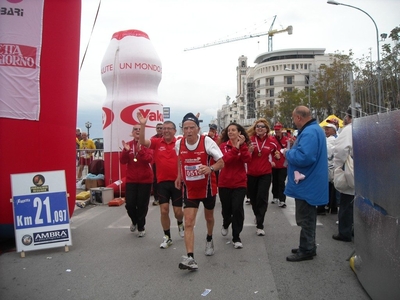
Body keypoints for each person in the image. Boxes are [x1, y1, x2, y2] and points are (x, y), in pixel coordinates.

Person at [175, 113, 224, 271]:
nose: (188, 131)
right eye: (185, 128)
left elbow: (221, 162)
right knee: (189, 222)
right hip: (190, 189)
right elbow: (180, 159)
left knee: (209, 217)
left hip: (208, 187)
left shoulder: (207, 141)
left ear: (198, 129)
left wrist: (210, 168)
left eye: (192, 127)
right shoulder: (179, 143)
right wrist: (179, 175)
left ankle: (209, 238)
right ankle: (190, 258)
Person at [283, 106, 328, 262]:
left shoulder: (309, 132)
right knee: (308, 216)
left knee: (305, 218)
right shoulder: (315, 130)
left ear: (299, 118)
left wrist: (287, 153)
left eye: (293, 118)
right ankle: (309, 245)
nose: (293, 121)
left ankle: (307, 249)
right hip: (311, 181)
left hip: (307, 182)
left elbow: (304, 157)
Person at [137, 113, 184, 248]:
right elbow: (142, 142)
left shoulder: (180, 143)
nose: (166, 130)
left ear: (175, 131)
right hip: (162, 182)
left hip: (177, 182)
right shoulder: (157, 142)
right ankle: (167, 237)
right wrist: (142, 125)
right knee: (164, 210)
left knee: (178, 212)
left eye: (169, 128)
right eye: (164, 128)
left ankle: (180, 223)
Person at [218, 123, 251, 249]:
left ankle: (236, 236)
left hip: (239, 183)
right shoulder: (223, 146)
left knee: (237, 209)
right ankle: (226, 222)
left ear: (239, 133)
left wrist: (241, 146)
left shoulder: (244, 146)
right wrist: (235, 148)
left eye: (233, 130)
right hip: (224, 183)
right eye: (229, 130)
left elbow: (247, 159)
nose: (230, 132)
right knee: (226, 209)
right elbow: (225, 160)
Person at [246, 118, 279, 236]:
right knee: (254, 199)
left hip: (265, 173)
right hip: (251, 173)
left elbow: (276, 153)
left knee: (262, 197)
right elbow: (245, 157)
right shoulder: (249, 140)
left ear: (266, 129)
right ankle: (257, 215)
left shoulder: (271, 141)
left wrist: (276, 157)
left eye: (262, 126)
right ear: (255, 129)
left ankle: (260, 224)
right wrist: (249, 152)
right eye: (257, 126)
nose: (260, 128)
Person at [120, 125, 153, 237]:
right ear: (132, 132)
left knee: (142, 205)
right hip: (131, 179)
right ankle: (134, 221)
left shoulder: (147, 144)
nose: (138, 131)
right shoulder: (128, 144)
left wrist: (141, 151)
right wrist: (125, 151)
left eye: (140, 129)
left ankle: (141, 226)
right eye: (135, 129)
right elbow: (123, 161)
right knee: (129, 204)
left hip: (145, 180)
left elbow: (150, 159)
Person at [332, 108, 355, 242]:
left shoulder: (348, 129)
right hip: (366, 171)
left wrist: (339, 165)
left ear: (347, 117)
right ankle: (355, 229)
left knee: (346, 203)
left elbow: (341, 150)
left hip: (351, 170)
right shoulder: (368, 126)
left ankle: (345, 232)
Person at [271, 122, 289, 208]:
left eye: (278, 129)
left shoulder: (286, 140)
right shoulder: (272, 139)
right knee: (274, 181)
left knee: (281, 181)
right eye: (275, 130)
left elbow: (289, 150)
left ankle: (282, 199)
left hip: (283, 165)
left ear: (282, 129)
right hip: (274, 164)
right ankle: (275, 196)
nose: (277, 131)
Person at [324, 119, 339, 214]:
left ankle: (330, 206)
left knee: (331, 188)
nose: (326, 131)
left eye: (328, 129)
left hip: (330, 166)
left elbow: (329, 154)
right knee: (332, 187)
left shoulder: (331, 140)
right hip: (332, 166)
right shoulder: (334, 138)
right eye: (325, 129)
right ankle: (332, 206)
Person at [151, 123, 164, 206]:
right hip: (156, 163)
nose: (159, 129)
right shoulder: (153, 138)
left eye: (161, 128)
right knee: (155, 180)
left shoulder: (167, 138)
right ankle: (156, 198)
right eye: (158, 128)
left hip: (165, 162)